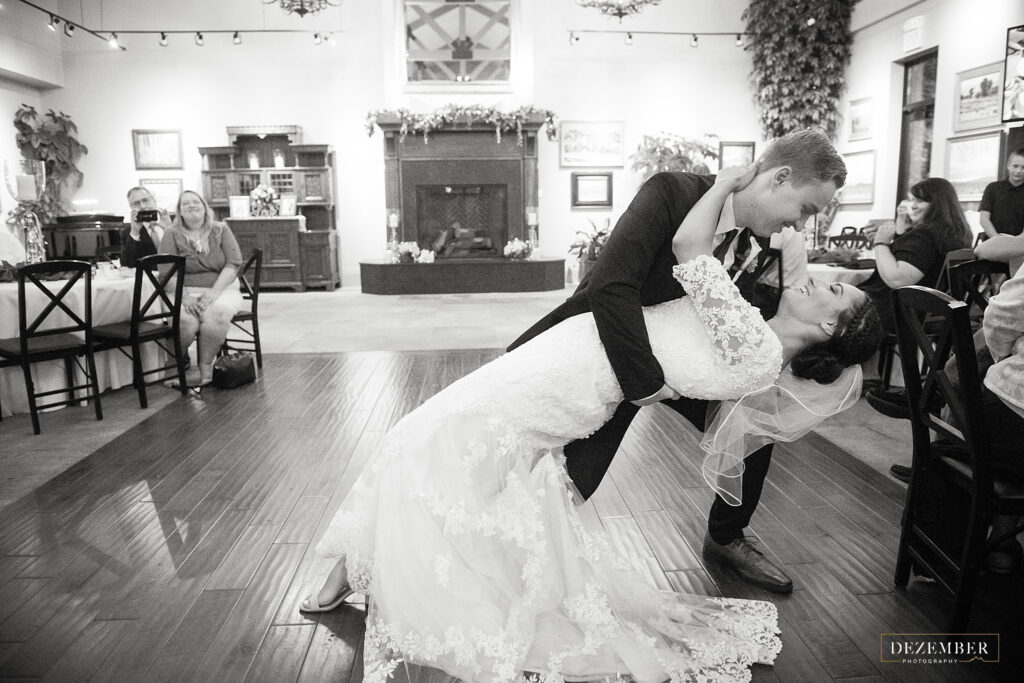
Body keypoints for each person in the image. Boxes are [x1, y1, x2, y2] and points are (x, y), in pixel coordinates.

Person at [300, 168, 882, 682]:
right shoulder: (754, 327)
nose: (812, 258)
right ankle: (361, 566)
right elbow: (662, 287)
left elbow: (688, 249)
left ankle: (360, 568)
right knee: (453, 454)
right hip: (574, 362)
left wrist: (727, 182)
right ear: (782, 178)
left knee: (428, 442)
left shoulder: (754, 346)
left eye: (832, 289)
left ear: (830, 330)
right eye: (807, 206)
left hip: (577, 376)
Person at [508, 129, 844, 595]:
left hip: (677, 361)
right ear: (781, 178)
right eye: (806, 209)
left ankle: (726, 537)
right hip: (607, 347)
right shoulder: (672, 192)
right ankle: (508, 539)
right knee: (560, 474)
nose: (801, 225)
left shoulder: (757, 241)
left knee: (756, 420)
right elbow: (611, 287)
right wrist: (644, 383)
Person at [862, 177, 973, 333]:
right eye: (912, 200)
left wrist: (880, 243)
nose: (912, 206)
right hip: (938, 313)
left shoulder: (926, 235)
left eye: (919, 201)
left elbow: (898, 279)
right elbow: (911, 258)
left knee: (840, 304)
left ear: (937, 205)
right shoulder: (959, 235)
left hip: (902, 313)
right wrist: (901, 228)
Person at [159, 190, 243, 387]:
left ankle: (206, 370)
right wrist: (186, 298)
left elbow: (233, 263)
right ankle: (176, 367)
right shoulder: (171, 234)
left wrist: (214, 293)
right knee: (186, 322)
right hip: (181, 290)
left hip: (221, 289)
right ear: (179, 211)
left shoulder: (220, 230)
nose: (191, 206)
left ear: (205, 207)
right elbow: (166, 270)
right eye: (185, 203)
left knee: (218, 314)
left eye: (195, 202)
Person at [979, 147, 1024, 238]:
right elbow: (984, 219)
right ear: (1008, 165)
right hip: (992, 243)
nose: (1018, 171)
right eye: (1015, 166)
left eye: (1023, 167)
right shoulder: (992, 188)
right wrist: (997, 240)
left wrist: (1017, 242)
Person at [121, 186, 172, 267]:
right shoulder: (128, 233)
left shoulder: (173, 225)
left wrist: (169, 230)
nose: (142, 206)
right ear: (131, 207)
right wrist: (135, 233)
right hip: (149, 278)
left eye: (145, 200)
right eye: (136, 203)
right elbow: (127, 264)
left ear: (154, 201)